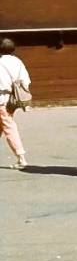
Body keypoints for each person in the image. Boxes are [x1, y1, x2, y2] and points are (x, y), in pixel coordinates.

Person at [0, 36, 29, 170]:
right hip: (11, 100)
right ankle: (20, 157)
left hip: (2, 99)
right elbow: (26, 81)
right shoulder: (17, 61)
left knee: (9, 126)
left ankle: (21, 157)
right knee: (3, 125)